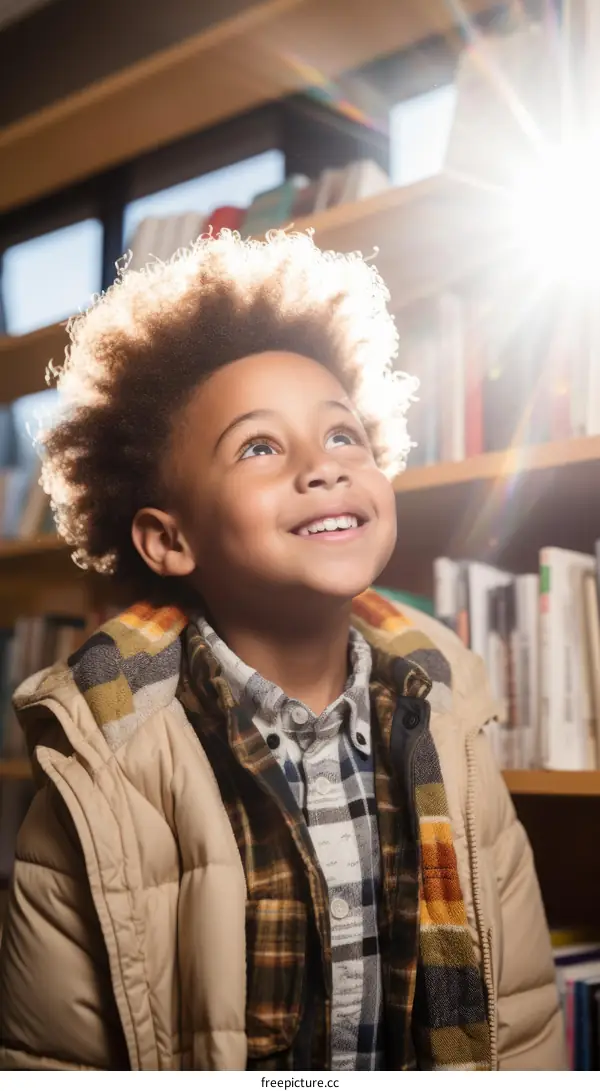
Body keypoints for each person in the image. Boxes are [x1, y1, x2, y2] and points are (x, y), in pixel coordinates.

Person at [0, 231, 564, 1071]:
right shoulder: (99, 773)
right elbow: (52, 1062)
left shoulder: (454, 725)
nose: (322, 467)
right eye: (259, 446)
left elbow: (519, 1024)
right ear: (168, 537)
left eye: (344, 437)